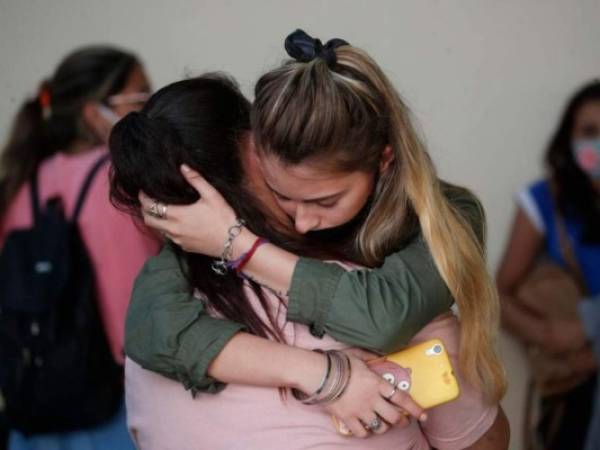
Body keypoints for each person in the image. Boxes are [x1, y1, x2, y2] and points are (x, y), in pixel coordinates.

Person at [123, 31, 508, 447]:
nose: (303, 222)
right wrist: (322, 374)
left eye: (326, 200)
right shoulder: (182, 273)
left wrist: (237, 246)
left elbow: (382, 318)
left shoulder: (444, 220)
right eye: (281, 193)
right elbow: (151, 328)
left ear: (383, 159)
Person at [0, 45, 159, 450]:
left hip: (35, 395)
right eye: (139, 97)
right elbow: (135, 307)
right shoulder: (114, 178)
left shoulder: (23, 180)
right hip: (109, 399)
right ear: (93, 112)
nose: (149, 109)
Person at [497, 81, 600, 450]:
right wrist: (549, 335)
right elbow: (499, 295)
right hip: (577, 391)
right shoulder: (545, 201)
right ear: (569, 139)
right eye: (589, 132)